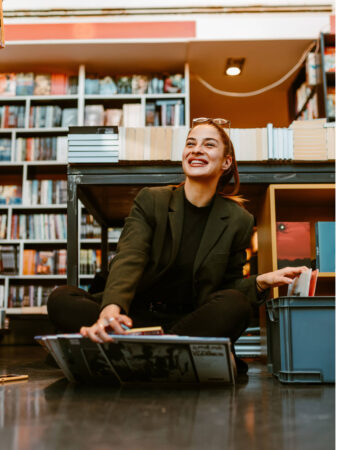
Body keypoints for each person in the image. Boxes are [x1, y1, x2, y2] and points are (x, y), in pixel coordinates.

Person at [47, 117, 307, 374]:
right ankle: (167, 356)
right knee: (61, 299)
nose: (196, 150)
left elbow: (227, 288)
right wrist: (111, 310)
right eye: (191, 143)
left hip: (187, 322)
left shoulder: (239, 220)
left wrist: (262, 281)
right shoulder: (152, 200)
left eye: (209, 145)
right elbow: (130, 256)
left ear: (226, 162)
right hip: (132, 317)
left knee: (236, 305)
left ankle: (133, 354)